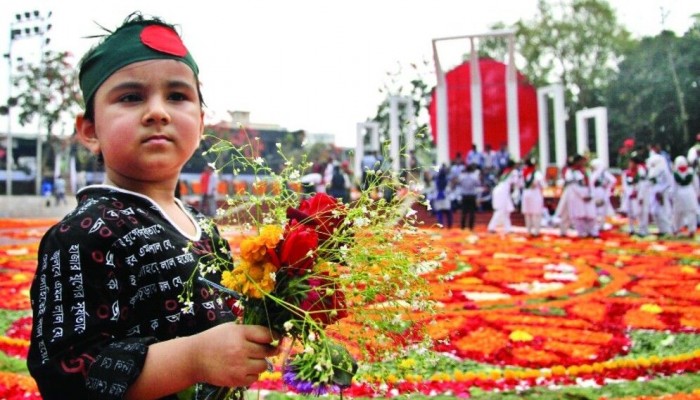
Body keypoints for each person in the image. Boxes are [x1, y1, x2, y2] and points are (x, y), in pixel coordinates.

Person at [27, 13, 278, 400]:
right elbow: (65, 375)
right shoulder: (79, 235)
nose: (158, 111)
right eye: (130, 97)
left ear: (199, 121)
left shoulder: (203, 227)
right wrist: (193, 359)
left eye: (177, 96)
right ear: (90, 130)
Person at [567, 154, 598, 238]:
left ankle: (592, 232)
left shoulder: (585, 171)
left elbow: (591, 184)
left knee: (591, 215)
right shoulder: (571, 172)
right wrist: (582, 195)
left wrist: (591, 194)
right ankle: (582, 233)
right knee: (579, 216)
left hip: (588, 195)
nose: (582, 162)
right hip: (578, 197)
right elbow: (573, 186)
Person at [487, 159, 520, 235]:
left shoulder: (506, 171)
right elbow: (516, 182)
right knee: (500, 210)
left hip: (503, 192)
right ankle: (491, 227)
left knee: (506, 211)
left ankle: (508, 228)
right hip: (502, 192)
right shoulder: (513, 172)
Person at [623, 151, 650, 237]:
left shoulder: (641, 171)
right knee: (630, 212)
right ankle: (631, 229)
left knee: (641, 213)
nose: (630, 164)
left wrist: (640, 195)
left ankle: (643, 230)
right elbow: (625, 185)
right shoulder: (626, 172)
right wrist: (629, 193)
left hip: (639, 195)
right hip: (629, 196)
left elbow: (643, 184)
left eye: (632, 162)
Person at [671, 155, 699, 238]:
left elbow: (673, 187)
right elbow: (696, 185)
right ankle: (691, 230)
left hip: (679, 194)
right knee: (690, 213)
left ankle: (676, 229)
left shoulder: (675, 174)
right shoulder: (691, 172)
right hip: (690, 194)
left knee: (677, 214)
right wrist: (697, 194)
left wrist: (672, 196)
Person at [647, 153, 674, 236]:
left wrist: (661, 192)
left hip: (663, 195)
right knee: (655, 212)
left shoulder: (664, 171)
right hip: (653, 195)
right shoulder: (652, 171)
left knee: (663, 212)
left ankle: (667, 230)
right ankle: (661, 229)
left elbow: (669, 183)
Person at [589, 158, 617, 232]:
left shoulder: (603, 173)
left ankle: (601, 225)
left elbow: (613, 180)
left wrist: (607, 186)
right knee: (595, 209)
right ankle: (596, 225)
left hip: (602, 192)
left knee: (602, 210)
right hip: (595, 192)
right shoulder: (593, 173)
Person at [520, 158, 546, 237]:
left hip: (526, 194)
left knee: (528, 214)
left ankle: (529, 230)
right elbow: (542, 184)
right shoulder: (537, 173)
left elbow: (520, 184)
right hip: (535, 194)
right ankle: (536, 231)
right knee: (536, 213)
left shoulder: (523, 173)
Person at [456, 163, 480, 230]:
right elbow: (478, 184)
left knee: (464, 212)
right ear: (472, 170)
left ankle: (463, 226)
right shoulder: (475, 177)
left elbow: (459, 184)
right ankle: (471, 227)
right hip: (472, 196)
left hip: (464, 196)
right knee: (472, 212)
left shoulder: (462, 177)